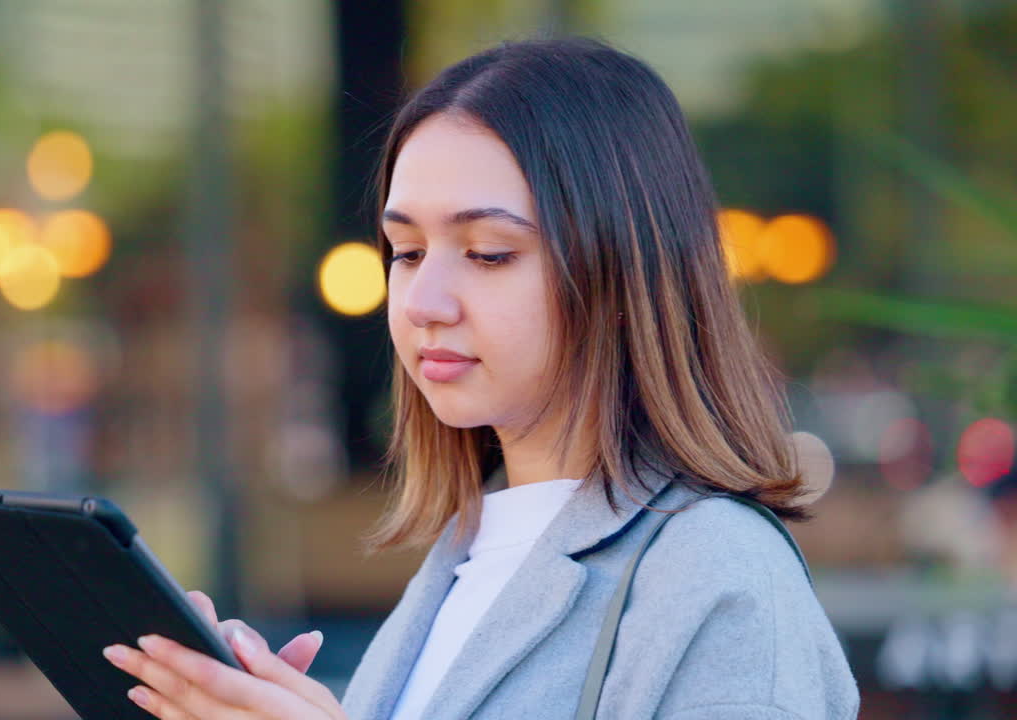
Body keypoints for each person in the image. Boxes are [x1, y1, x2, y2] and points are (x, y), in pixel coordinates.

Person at [100, 35, 861, 719]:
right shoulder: (469, 554)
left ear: (623, 269)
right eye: (406, 252)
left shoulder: (720, 576)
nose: (424, 302)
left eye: (489, 253)